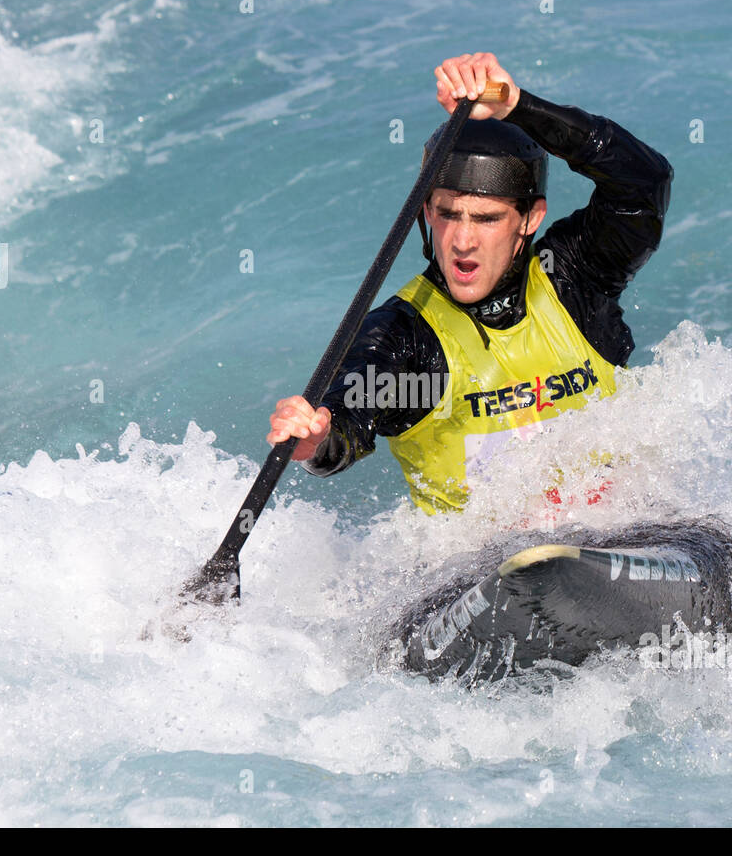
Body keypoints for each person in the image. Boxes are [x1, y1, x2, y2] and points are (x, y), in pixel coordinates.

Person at [266, 52, 673, 514]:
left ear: (530, 218)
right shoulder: (405, 338)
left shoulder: (576, 279)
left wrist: (518, 107)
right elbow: (345, 423)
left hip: (629, 531)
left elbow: (644, 181)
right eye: (447, 214)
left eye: (486, 219)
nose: (462, 239)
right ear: (425, 213)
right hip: (483, 565)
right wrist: (316, 439)